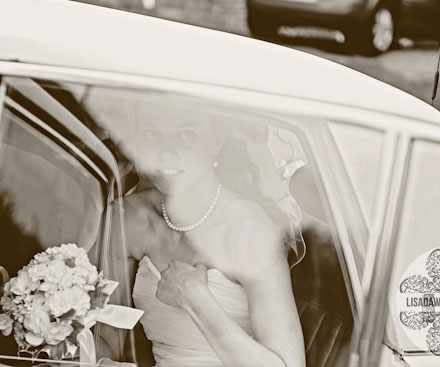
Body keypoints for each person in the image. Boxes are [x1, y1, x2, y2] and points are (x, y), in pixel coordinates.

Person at [112, 101, 306, 367]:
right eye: (151, 134)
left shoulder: (248, 231)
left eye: (186, 134)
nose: (166, 151)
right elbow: (104, 330)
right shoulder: (127, 217)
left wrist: (196, 299)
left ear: (215, 141)